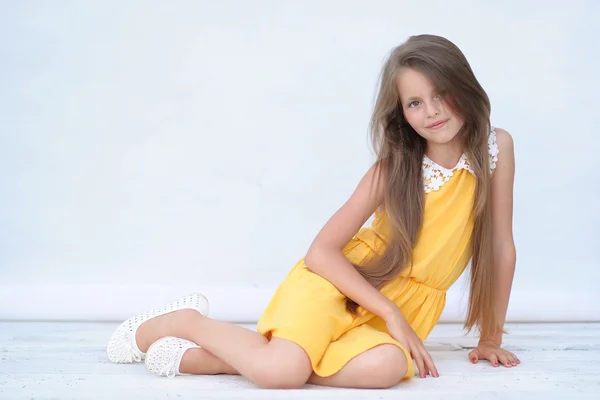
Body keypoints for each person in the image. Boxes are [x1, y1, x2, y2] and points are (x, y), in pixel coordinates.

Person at [106, 34, 520, 389]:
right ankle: (187, 323)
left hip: (406, 308)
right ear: (401, 113)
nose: (431, 111)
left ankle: (217, 360)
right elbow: (320, 252)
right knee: (280, 372)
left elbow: (501, 245)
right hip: (342, 287)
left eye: (440, 94)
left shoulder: (494, 148)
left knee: (389, 368)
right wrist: (389, 312)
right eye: (415, 102)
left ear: (464, 87)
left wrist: (491, 337)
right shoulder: (394, 168)